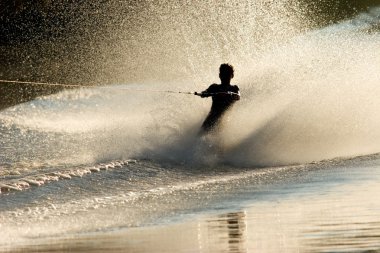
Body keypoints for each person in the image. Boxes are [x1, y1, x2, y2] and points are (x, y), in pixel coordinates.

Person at [195, 63, 240, 134]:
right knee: (198, 138)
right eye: (223, 74)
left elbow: (238, 96)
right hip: (210, 119)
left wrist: (228, 94)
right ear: (219, 75)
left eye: (227, 74)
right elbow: (205, 93)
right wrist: (203, 93)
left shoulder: (234, 88)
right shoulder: (214, 87)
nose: (224, 76)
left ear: (232, 76)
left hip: (224, 122)